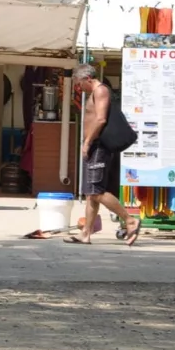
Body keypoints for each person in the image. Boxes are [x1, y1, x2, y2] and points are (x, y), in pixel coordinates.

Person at [71, 65, 140, 245]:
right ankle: (86, 233)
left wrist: (87, 142)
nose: (79, 88)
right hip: (95, 146)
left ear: (87, 79)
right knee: (90, 193)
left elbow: (101, 119)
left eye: (79, 84)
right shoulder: (95, 92)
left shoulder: (100, 90)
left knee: (97, 192)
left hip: (99, 146)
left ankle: (130, 220)